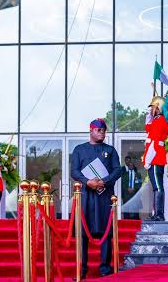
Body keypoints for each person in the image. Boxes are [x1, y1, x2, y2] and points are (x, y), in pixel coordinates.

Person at [70, 118, 122, 280]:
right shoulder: (79, 150)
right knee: (83, 233)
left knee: (106, 233)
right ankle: (81, 270)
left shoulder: (110, 150)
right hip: (85, 197)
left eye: (104, 131)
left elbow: (117, 170)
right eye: (99, 130)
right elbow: (74, 171)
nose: (102, 133)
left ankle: (105, 269)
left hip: (104, 197)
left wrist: (103, 181)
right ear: (91, 130)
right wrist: (87, 182)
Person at [143, 96, 168, 221]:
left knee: (158, 187)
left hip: (155, 158)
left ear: (158, 108)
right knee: (156, 187)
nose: (151, 110)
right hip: (155, 158)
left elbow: (154, 143)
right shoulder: (157, 120)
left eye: (153, 108)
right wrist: (148, 116)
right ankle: (157, 214)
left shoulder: (160, 121)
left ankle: (159, 215)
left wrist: (147, 160)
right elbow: (148, 129)